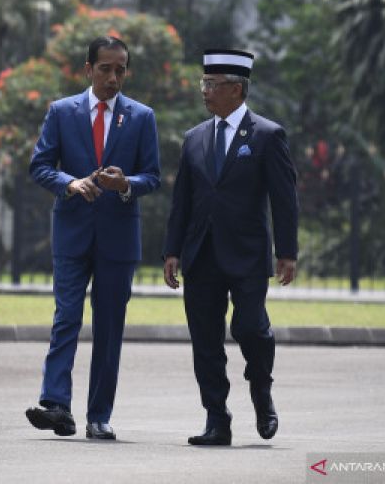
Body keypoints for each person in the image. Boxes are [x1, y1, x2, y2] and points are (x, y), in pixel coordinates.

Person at [24, 36, 161, 440]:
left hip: (118, 239)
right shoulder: (62, 112)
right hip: (72, 233)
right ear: (88, 69)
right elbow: (40, 166)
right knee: (66, 317)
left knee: (109, 327)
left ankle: (98, 416)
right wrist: (70, 183)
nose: (113, 78)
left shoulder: (141, 117)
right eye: (105, 69)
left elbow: (152, 176)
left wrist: (125, 184)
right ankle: (55, 404)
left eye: (120, 70)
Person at [162, 49, 298, 446]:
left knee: (249, 326)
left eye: (212, 84)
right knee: (205, 339)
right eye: (203, 83)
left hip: (248, 254)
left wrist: (286, 252)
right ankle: (216, 419)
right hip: (201, 253)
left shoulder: (267, 135)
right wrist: (172, 250)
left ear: (237, 89)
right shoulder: (194, 138)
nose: (205, 91)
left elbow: (284, 198)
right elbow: (181, 201)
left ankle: (261, 388)